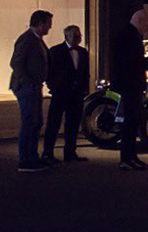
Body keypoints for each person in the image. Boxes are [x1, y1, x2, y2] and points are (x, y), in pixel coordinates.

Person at [10, 10, 53, 172]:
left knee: (35, 122)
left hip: (33, 85)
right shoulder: (27, 40)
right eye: (48, 24)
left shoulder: (36, 40)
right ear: (40, 23)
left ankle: (32, 157)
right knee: (30, 122)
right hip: (27, 87)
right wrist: (28, 81)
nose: (49, 28)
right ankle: (26, 159)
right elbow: (16, 63)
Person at [42, 24, 91, 164]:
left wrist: (84, 88)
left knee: (73, 124)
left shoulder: (83, 52)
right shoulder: (56, 51)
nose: (78, 38)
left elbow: (85, 72)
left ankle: (70, 152)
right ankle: (48, 153)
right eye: (75, 35)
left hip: (76, 93)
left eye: (79, 35)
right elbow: (49, 72)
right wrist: (53, 87)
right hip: (61, 92)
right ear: (67, 36)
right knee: (54, 123)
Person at [114, 6, 148, 171]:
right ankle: (127, 158)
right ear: (140, 21)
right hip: (130, 85)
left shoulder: (128, 35)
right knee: (130, 122)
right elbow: (132, 63)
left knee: (133, 121)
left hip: (130, 84)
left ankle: (131, 157)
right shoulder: (129, 37)